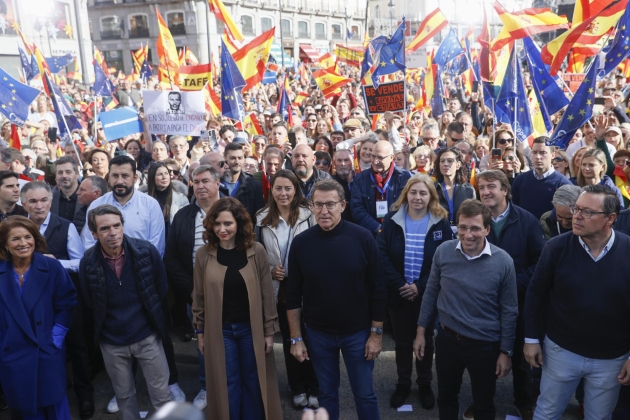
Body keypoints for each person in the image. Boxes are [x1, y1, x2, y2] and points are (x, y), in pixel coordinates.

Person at [524, 185, 630, 419]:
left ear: (610, 218)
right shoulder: (556, 247)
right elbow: (536, 294)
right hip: (561, 350)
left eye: (588, 212)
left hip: (611, 359)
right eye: (577, 208)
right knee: (547, 411)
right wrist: (531, 339)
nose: (577, 216)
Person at [285, 179, 387, 420]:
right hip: (319, 334)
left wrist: (376, 334)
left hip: (358, 333)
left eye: (330, 204)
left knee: (365, 394)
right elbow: (292, 294)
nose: (324, 211)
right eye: (317, 204)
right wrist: (296, 338)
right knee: (327, 394)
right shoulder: (301, 243)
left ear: (343, 205)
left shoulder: (363, 238)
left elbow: (379, 289)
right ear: (311, 206)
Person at [414, 199, 518, 420]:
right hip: (447, 340)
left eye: (475, 228)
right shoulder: (444, 252)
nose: (467, 234)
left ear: (487, 230)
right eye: (462, 227)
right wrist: (421, 332)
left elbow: (509, 310)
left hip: (484, 345)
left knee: (484, 404)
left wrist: (505, 352)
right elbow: (431, 293)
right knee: (446, 397)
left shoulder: (503, 261)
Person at [192, 197, 282, 419]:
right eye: (217, 224)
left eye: (228, 223)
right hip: (220, 331)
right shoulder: (204, 254)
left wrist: (269, 332)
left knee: (253, 380)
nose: (222, 229)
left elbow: (266, 295)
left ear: (239, 224)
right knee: (228, 381)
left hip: (251, 329)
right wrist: (200, 332)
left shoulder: (256, 251)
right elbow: (199, 297)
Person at [79, 204, 172, 420]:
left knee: (161, 395)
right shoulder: (88, 262)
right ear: (94, 233)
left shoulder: (146, 251)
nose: (112, 233)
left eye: (116, 226)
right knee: (124, 397)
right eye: (104, 229)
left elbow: (160, 288)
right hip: (112, 342)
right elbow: (89, 301)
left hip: (147, 336)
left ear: (123, 226)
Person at [377, 175, 454, 410]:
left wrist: (419, 286)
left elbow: (443, 259)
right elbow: (381, 255)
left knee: (426, 340)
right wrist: (401, 283)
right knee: (401, 341)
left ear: (431, 196)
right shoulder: (391, 220)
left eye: (423, 193)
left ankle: (424, 383)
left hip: (426, 293)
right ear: (406, 195)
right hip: (398, 292)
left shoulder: (440, 221)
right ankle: (403, 383)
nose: (417, 197)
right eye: (413, 192)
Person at [475, 170, 546, 420]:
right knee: (484, 355)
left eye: (491, 186)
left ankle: (524, 401)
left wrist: (514, 284)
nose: (485, 192)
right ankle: (482, 402)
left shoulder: (526, 221)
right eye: (481, 187)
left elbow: (540, 262)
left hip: (519, 301)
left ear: (505, 190)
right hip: (484, 304)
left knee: (520, 358)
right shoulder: (476, 219)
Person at [0, 216, 76, 419]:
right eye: (15, 239)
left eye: (28, 236)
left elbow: (67, 305)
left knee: (55, 408)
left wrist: (54, 340)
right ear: (5, 244)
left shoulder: (52, 268)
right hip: (13, 355)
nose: (23, 243)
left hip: (45, 351)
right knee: (26, 411)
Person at [255, 169, 319, 409]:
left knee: (311, 338)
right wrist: (271, 271)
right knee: (292, 338)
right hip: (279, 289)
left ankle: (315, 386)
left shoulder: (309, 214)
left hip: (308, 286)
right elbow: (257, 256)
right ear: (271, 190)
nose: (283, 193)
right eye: (278, 188)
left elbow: (318, 248)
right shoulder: (261, 217)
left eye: (288, 188)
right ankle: (298, 387)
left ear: (296, 190)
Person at [164, 165, 224, 409]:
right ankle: (207, 387)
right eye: (195, 181)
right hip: (195, 294)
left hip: (231, 292)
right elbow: (172, 258)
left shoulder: (234, 211)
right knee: (204, 344)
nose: (199, 186)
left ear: (217, 183)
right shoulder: (183, 216)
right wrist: (192, 290)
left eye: (205, 181)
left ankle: (231, 385)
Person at [81, 155, 166, 256]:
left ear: (135, 178)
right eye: (115, 176)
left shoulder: (150, 205)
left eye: (125, 176)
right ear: (109, 177)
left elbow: (156, 246)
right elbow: (89, 242)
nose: (120, 181)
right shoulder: (96, 205)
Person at [352, 140, 412, 236]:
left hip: (397, 233)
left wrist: (390, 228)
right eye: (373, 156)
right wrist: (378, 228)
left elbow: (408, 206)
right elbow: (357, 209)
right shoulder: (360, 179)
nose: (375, 161)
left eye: (380, 157)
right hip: (369, 234)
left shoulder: (404, 177)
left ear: (392, 157)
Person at [511, 137, 572, 220]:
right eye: (534, 152)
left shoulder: (564, 184)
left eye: (543, 152)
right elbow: (514, 209)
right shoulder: (520, 180)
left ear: (552, 155)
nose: (538, 157)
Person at [141, 162, 189, 237]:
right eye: (160, 174)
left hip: (173, 239)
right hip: (149, 239)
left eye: (166, 173)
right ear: (152, 177)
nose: (164, 177)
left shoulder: (181, 198)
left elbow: (186, 222)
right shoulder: (143, 199)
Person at [221, 143, 265, 222]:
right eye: (233, 158)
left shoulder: (254, 185)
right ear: (225, 158)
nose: (237, 161)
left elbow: (259, 216)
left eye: (240, 158)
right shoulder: (217, 184)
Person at [434, 147, 476, 228]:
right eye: (442, 161)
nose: (445, 164)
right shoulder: (432, 188)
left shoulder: (468, 189)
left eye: (450, 161)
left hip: (461, 232)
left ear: (458, 165)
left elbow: (473, 215)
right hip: (438, 232)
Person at [51, 156, 82, 222]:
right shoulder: (50, 199)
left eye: (68, 172)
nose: (64, 176)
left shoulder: (88, 198)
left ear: (77, 174)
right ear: (55, 176)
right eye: (60, 172)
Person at [331, 149, 354, 222]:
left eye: (346, 160)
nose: (343, 164)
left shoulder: (361, 181)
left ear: (352, 162)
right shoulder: (331, 183)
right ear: (334, 163)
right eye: (339, 160)